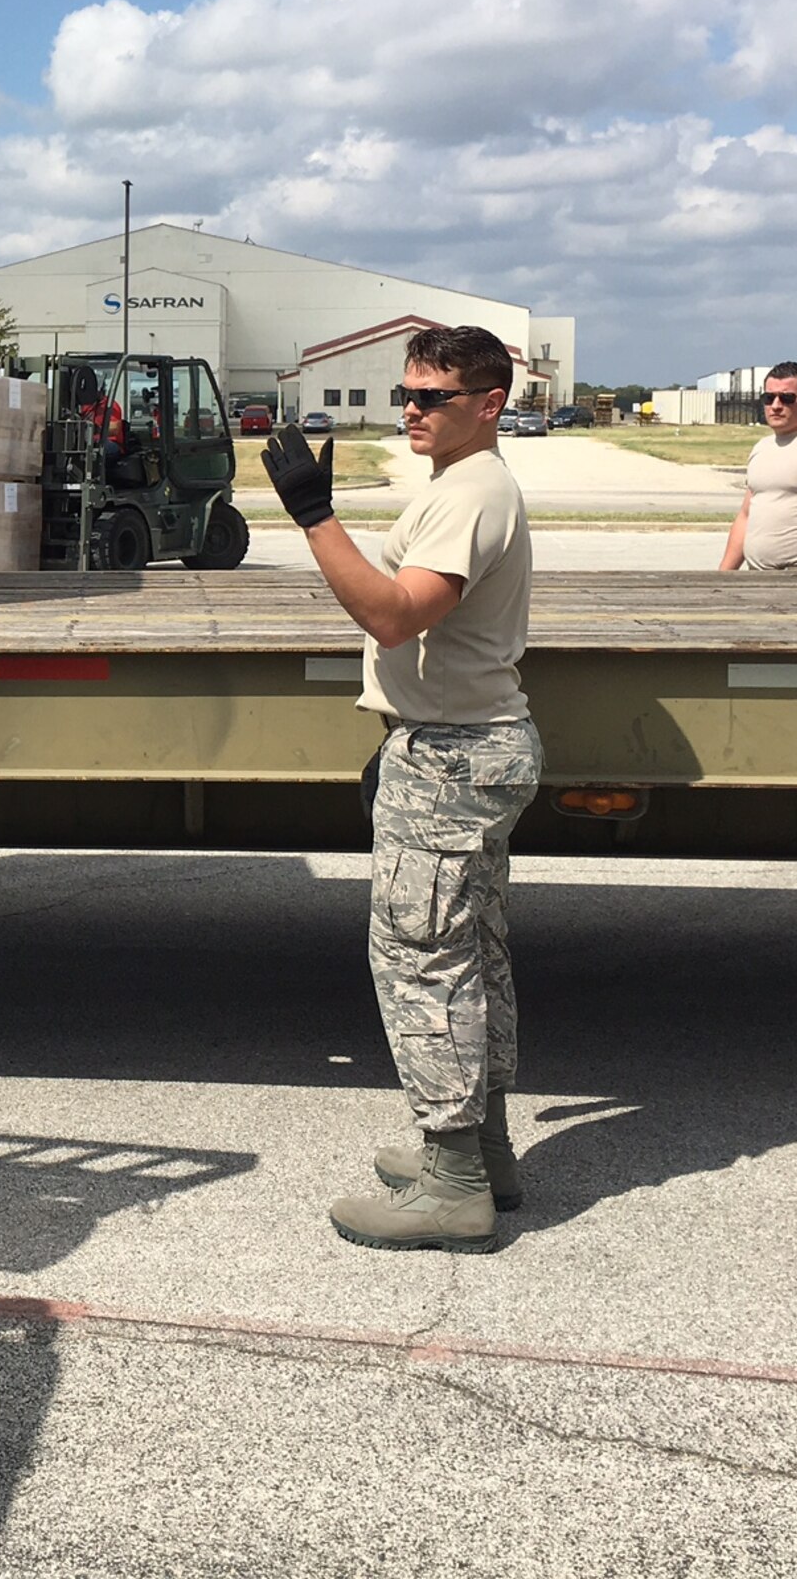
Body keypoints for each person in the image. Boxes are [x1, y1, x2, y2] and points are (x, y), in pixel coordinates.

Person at [262, 324, 541, 1254]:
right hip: (459, 744)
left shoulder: (472, 493)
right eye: (408, 393)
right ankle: (483, 1155)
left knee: (422, 961)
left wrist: (312, 515)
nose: (411, 410)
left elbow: (391, 616)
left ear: (489, 403)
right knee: (471, 954)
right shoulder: (462, 487)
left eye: (434, 397)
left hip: (456, 757)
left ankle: (454, 1182)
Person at [718, 362, 797, 572]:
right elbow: (746, 516)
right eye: (769, 397)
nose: (776, 405)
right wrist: (723, 576)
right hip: (757, 574)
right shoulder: (762, 448)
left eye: (787, 398)